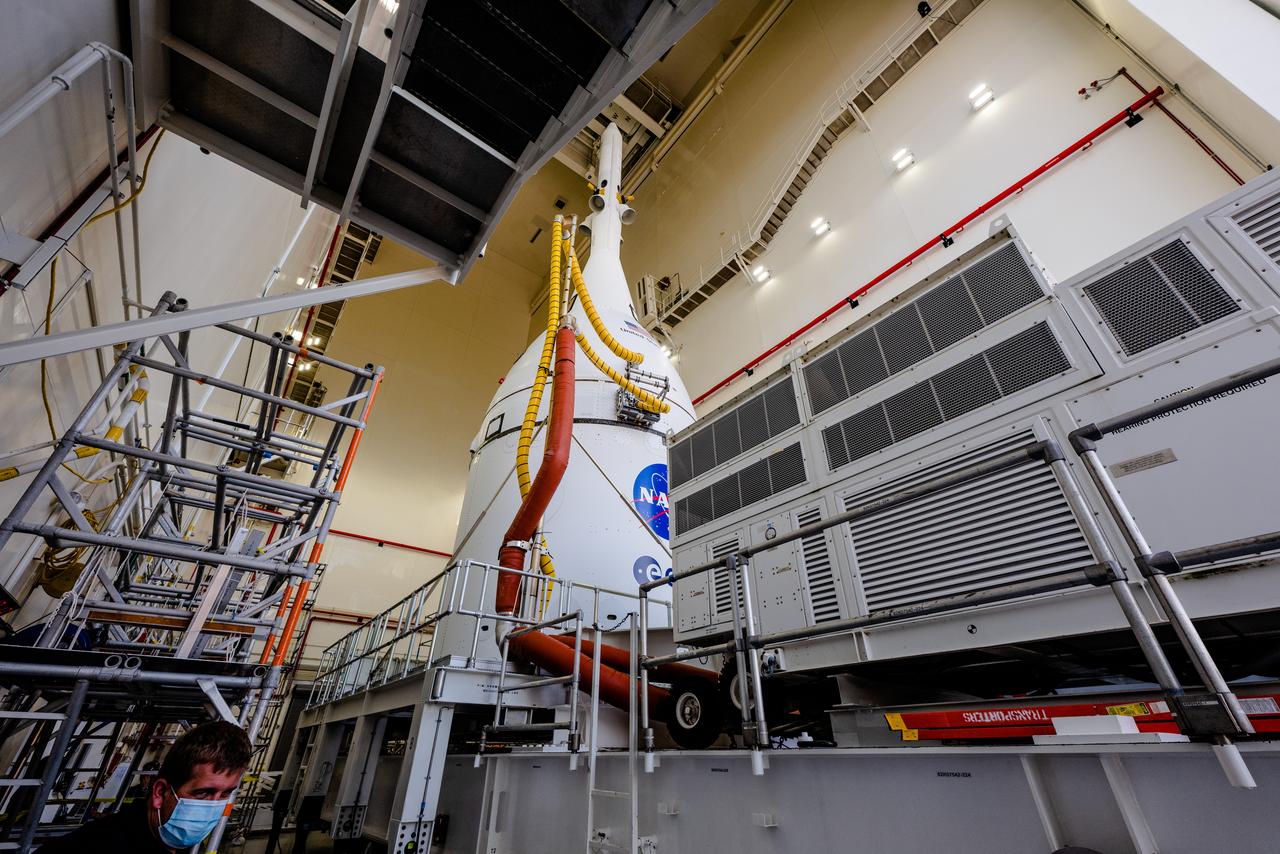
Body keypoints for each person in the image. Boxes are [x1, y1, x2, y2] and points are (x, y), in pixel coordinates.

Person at [37, 720, 252, 853]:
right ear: (160, 792)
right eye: (204, 793)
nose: (214, 806)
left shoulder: (177, 845)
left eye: (225, 793)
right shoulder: (91, 846)